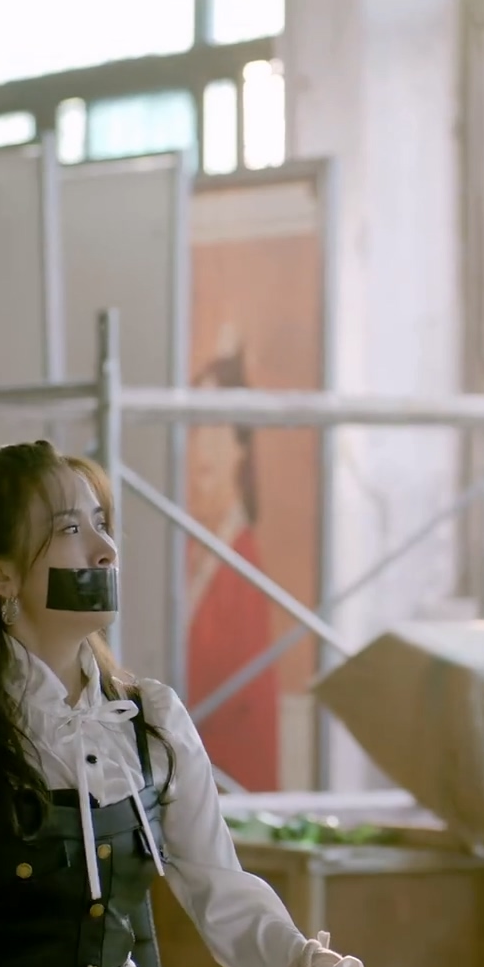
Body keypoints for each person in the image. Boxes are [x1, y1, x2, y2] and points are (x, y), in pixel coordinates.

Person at [0, 440, 417, 967]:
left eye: (102, 524)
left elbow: (227, 899)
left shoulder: (151, 719)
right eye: (70, 529)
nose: (106, 551)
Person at [186, 334, 281, 791]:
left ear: (240, 444)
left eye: (214, 426)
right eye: (195, 428)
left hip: (228, 781)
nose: (201, 445)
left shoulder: (242, 562)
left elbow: (227, 696)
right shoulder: (194, 551)